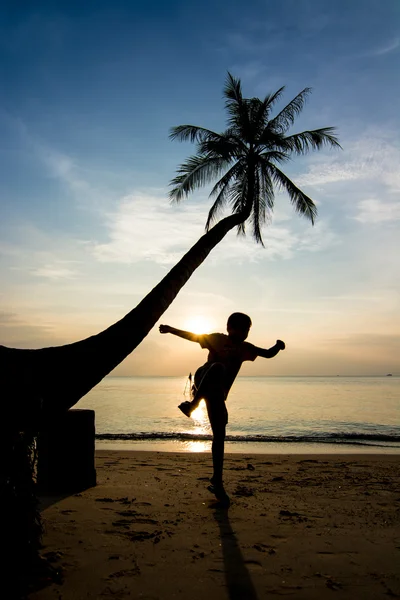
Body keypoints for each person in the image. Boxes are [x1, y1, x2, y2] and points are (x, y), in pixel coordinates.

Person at [159, 313, 285, 505]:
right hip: (204, 380)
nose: (243, 333)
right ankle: (193, 405)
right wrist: (171, 330)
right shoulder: (217, 339)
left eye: (246, 330)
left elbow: (267, 353)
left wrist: (278, 346)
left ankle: (217, 481)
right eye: (239, 328)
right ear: (229, 327)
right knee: (217, 367)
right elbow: (192, 336)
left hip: (217, 394)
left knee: (219, 436)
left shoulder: (245, 349)